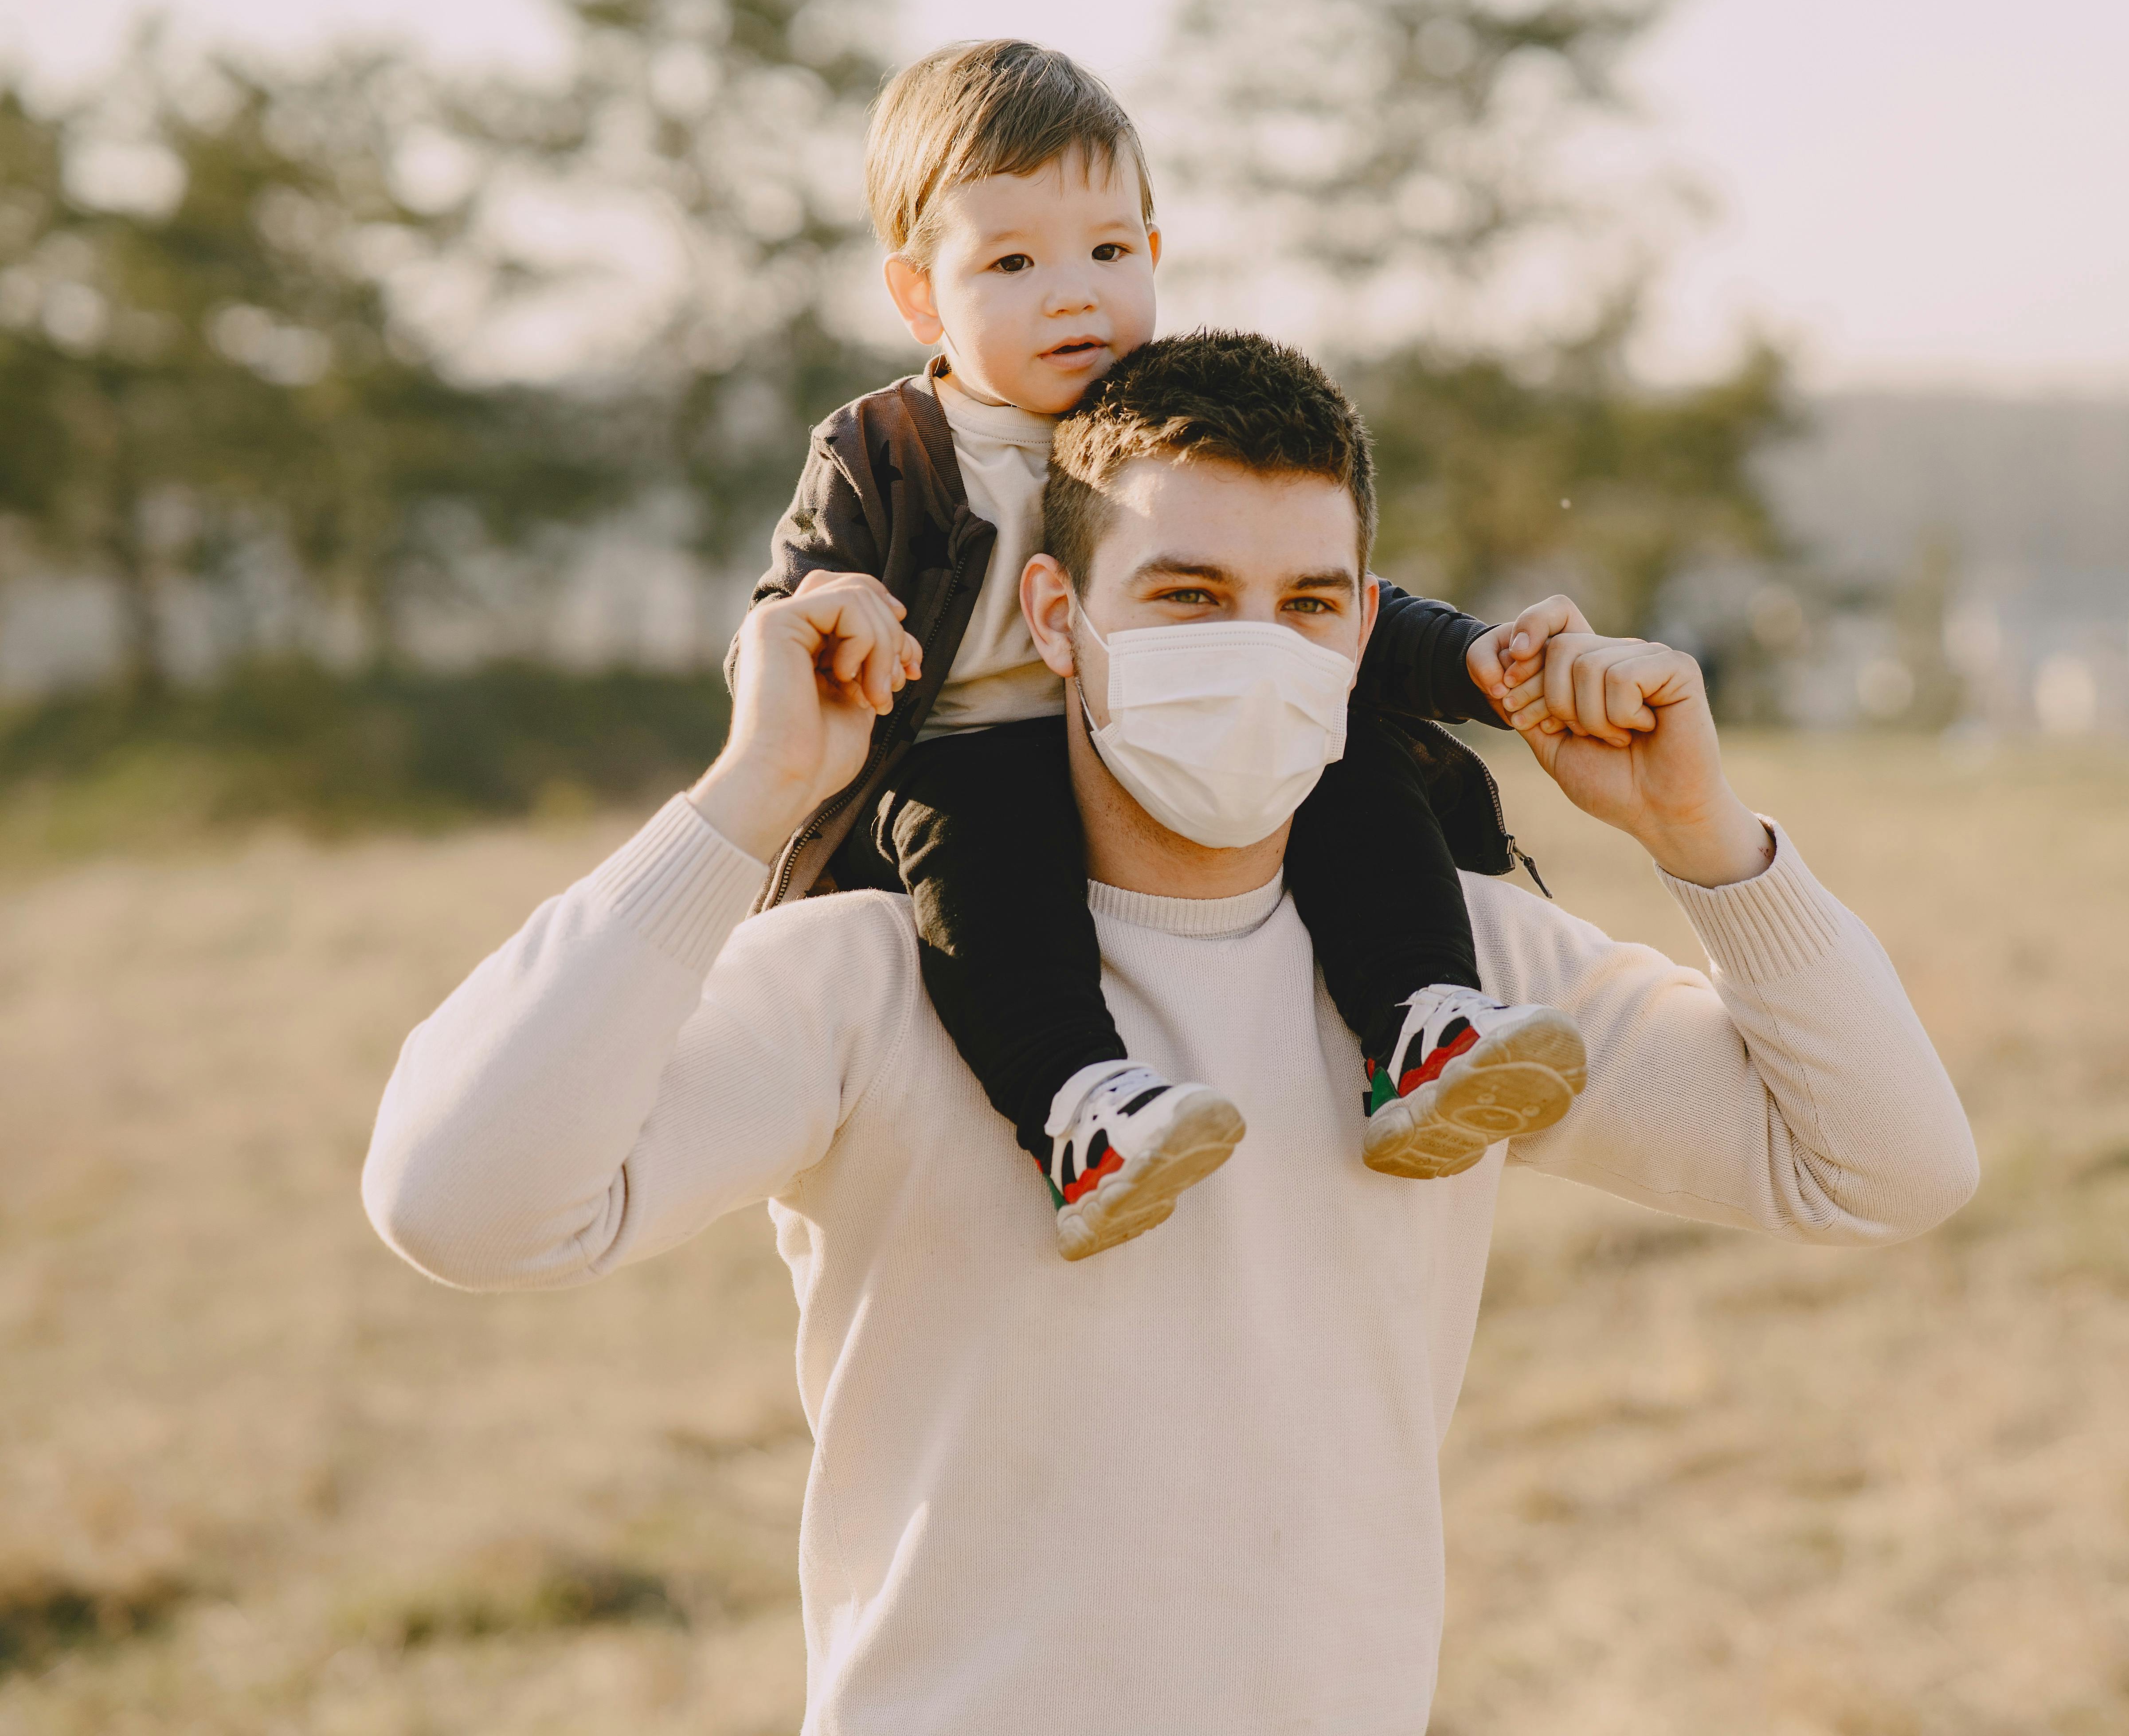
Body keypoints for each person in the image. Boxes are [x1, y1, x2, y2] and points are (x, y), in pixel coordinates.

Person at [363, 332, 1979, 1733]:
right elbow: (459, 1199)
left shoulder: (1465, 975)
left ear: (1360, 636)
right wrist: (748, 800)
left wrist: (1706, 842)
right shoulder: (874, 975)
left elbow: (1881, 1172)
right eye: (1188, 595)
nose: (1252, 650)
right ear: (1058, 613)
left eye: (1306, 604)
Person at [753, 38, 1598, 1259]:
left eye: (1107, 251)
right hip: (971, 756)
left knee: (1349, 751)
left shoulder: (1150, 420)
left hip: (1161, 728)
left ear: (1154, 256)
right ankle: (1080, 1108)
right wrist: (836, 626)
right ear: (920, 294)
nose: (1072, 294)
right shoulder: (886, 452)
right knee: (983, 854)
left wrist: (1471, 662)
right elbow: (778, 625)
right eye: (1012, 261)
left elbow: (1311, 590)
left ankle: (1421, 1023)